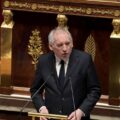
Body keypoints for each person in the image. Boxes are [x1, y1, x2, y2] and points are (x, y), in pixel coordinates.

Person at [30, 27, 101, 120]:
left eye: (67, 44)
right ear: (51, 46)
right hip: (51, 118)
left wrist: (81, 111)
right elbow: (35, 90)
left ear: (72, 43)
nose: (65, 49)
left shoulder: (85, 60)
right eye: (60, 45)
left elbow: (95, 90)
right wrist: (42, 108)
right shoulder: (44, 61)